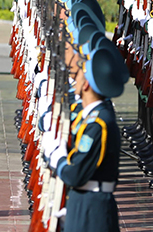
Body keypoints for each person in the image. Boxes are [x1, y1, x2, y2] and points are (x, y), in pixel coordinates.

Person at [44, 41, 128, 232]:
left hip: (92, 207)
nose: (76, 75)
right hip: (84, 201)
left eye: (81, 72)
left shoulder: (99, 124)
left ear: (87, 83)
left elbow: (76, 174)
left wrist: (59, 161)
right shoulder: (94, 117)